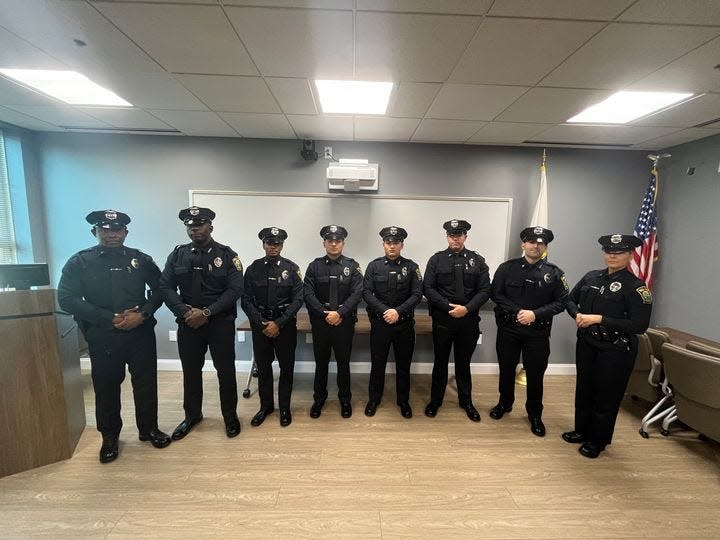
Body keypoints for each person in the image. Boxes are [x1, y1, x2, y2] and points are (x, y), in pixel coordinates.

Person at [58, 210, 170, 463]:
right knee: (106, 387)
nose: (112, 235)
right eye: (106, 230)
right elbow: (66, 299)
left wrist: (142, 314)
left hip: (140, 333)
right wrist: (108, 317)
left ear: (125, 233)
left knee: (145, 383)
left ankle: (148, 429)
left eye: (117, 230)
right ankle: (110, 437)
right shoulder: (80, 262)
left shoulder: (140, 260)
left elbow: (160, 289)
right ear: (95, 232)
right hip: (103, 334)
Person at [563, 234, 652, 458]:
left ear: (630, 255)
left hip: (615, 348)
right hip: (587, 343)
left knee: (606, 395)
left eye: (619, 252)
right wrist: (578, 315)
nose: (612, 256)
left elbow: (639, 325)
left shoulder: (636, 287)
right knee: (584, 390)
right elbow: (569, 299)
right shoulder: (591, 277)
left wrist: (599, 319)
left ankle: (598, 441)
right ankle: (581, 430)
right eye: (609, 252)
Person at [159, 206, 244, 440]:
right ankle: (192, 415)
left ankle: (230, 416)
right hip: (188, 324)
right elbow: (165, 286)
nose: (195, 228)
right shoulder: (178, 255)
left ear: (210, 227)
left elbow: (236, 289)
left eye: (200, 224)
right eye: (190, 225)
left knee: (226, 372)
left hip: (220, 323)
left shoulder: (227, 255)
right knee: (191, 372)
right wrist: (184, 311)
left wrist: (207, 312)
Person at [489, 226, 569, 436]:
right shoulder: (506, 268)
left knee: (535, 375)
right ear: (523, 244)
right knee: (506, 369)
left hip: (538, 333)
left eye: (541, 243)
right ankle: (504, 404)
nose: (536, 246)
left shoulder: (554, 273)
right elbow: (496, 294)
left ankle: (534, 414)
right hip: (509, 329)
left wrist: (535, 314)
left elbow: (562, 302)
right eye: (532, 242)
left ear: (545, 247)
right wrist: (518, 312)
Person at [423, 219, 491, 422]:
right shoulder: (436, 260)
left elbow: (485, 290)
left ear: (465, 237)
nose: (455, 238)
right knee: (440, 362)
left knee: (463, 363)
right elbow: (428, 288)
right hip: (443, 319)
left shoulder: (477, 261)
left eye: (459, 235)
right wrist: (447, 307)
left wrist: (467, 309)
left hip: (468, 321)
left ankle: (466, 402)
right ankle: (435, 401)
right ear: (447, 237)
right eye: (452, 235)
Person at [241, 227, 303, 428]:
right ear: (263, 245)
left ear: (282, 245)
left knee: (287, 368)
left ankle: (284, 407)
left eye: (277, 243)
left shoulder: (292, 269)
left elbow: (298, 299)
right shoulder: (253, 269)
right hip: (261, 326)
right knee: (264, 368)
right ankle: (265, 406)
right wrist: (261, 323)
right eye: (269, 243)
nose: (273, 247)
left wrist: (279, 322)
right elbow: (246, 300)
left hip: (284, 326)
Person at [303, 225, 363, 419]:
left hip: (343, 323)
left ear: (343, 243)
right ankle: (319, 399)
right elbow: (308, 293)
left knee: (343, 363)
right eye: (330, 241)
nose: (334, 244)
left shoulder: (352, 266)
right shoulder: (314, 266)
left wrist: (340, 313)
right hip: (321, 323)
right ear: (324, 243)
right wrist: (324, 313)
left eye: (338, 241)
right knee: (321, 363)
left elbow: (357, 293)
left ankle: (345, 400)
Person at [363, 226, 423, 419]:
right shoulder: (374, 266)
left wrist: (398, 312)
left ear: (402, 245)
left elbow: (416, 294)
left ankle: (403, 401)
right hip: (380, 324)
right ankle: (374, 399)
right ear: (383, 244)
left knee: (403, 365)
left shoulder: (412, 267)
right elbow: (366, 293)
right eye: (388, 242)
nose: (392, 246)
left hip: (404, 324)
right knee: (377, 364)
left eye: (396, 243)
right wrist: (385, 312)